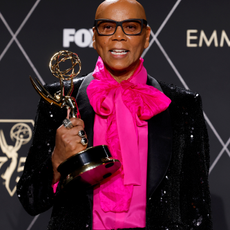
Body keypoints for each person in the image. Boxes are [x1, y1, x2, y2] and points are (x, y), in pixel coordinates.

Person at [17, 0, 213, 229]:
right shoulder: (59, 100)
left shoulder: (182, 106)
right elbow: (31, 200)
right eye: (107, 27)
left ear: (146, 36)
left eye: (130, 27)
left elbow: (197, 209)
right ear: (94, 36)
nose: (118, 36)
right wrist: (58, 160)